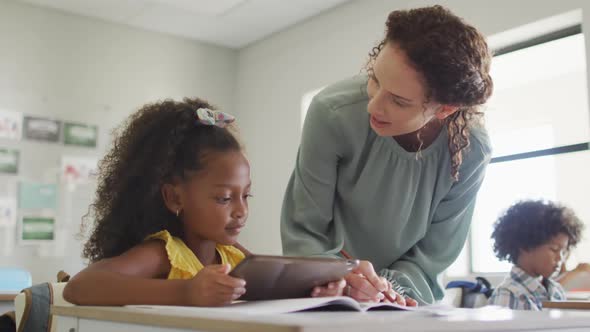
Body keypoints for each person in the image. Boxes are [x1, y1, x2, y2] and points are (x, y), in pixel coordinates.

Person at [281, 5, 494, 305]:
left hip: (401, 303)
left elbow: (432, 256)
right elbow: (305, 229)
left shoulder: (472, 151)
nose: (373, 106)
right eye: (375, 79)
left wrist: (385, 290)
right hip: (327, 291)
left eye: (398, 101)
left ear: (445, 108)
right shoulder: (332, 113)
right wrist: (339, 276)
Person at [64, 98, 344, 307]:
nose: (241, 211)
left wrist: (318, 289)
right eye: (224, 198)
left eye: (246, 196)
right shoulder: (164, 252)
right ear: (174, 197)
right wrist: (187, 292)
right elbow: (80, 286)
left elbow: (275, 282)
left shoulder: (230, 254)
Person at [488, 200, 584, 310]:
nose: (560, 258)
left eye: (563, 252)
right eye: (554, 249)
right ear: (524, 245)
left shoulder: (556, 291)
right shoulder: (508, 295)